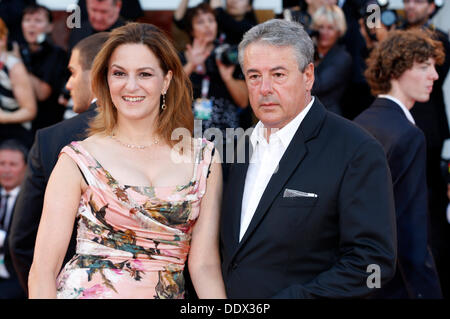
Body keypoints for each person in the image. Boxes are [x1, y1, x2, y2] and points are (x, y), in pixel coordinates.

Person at [28, 23, 226, 299]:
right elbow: (43, 271)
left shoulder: (204, 158)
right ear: (106, 80)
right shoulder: (78, 159)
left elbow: (204, 265)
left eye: (145, 74)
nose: (130, 86)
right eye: (119, 73)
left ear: (166, 80)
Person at [220, 19, 397, 298]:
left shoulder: (357, 150)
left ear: (308, 76)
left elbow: (372, 264)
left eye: (278, 74)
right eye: (254, 76)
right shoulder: (233, 149)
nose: (264, 88)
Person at [8, 32, 109, 295]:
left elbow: (21, 239)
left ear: (95, 72)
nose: (68, 85)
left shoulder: (51, 139)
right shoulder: (173, 136)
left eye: (73, 73)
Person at [354, 29, 444, 299]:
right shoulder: (408, 135)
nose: (435, 75)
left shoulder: (360, 122)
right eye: (424, 67)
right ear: (396, 70)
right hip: (394, 283)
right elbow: (409, 230)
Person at [401, 0, 450, 298]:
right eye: (406, 0)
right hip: (407, 128)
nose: (409, 5)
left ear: (433, 6)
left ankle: (432, 263)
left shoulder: (438, 37)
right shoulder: (399, 29)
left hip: (428, 134)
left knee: (431, 203)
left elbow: (405, 58)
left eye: (417, 1)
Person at [180, 3, 248, 151]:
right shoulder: (181, 58)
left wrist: (227, 78)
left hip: (226, 135)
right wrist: (191, 65)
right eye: (200, 22)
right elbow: (168, 92)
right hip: (189, 134)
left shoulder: (228, 56)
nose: (207, 26)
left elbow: (243, 102)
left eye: (211, 20)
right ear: (191, 30)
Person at [17, 4, 68, 132]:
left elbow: (43, 93)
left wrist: (17, 65)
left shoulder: (57, 54)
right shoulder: (18, 50)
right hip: (20, 123)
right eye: (27, 20)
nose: (31, 25)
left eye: (38, 21)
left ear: (50, 27)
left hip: (47, 125)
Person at [0, 18, 36, 148]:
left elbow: (30, 110)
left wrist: (3, 117)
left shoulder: (13, 66)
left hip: (13, 136)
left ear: (3, 39)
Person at [310, 4, 352, 115]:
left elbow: (316, 86)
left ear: (339, 31)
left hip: (328, 115)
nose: (324, 33)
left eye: (330, 28)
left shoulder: (342, 58)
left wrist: (306, 54)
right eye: (321, 27)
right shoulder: (312, 50)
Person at [0, 139, 28, 299]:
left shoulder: (34, 202)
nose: (6, 170)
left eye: (12, 164)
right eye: (2, 163)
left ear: (25, 168)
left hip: (17, 275)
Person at [174, 0, 257, 46]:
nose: (233, 1)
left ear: (249, 7)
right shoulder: (215, 18)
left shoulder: (251, 27)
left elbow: (219, 13)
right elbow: (179, 20)